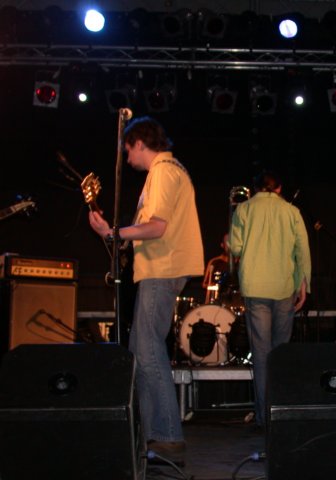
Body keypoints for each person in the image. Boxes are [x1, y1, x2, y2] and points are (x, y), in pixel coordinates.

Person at [88, 116, 204, 464]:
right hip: (158, 268)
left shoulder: (164, 172)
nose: (127, 158)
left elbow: (157, 228)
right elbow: (150, 228)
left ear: (140, 143)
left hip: (162, 269)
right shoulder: (169, 172)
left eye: (128, 150)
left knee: (149, 351)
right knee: (140, 350)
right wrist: (116, 235)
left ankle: (168, 436)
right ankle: (152, 433)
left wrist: (113, 233)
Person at [229, 171, 311, 428]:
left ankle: (264, 417)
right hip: (284, 287)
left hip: (255, 288)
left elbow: (236, 247)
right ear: (279, 188)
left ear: (255, 189)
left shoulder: (243, 209)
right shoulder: (291, 211)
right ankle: (280, 412)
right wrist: (303, 284)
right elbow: (302, 250)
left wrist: (229, 239)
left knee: (262, 354)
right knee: (280, 352)